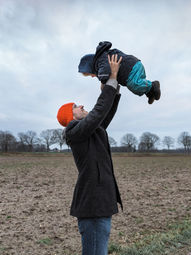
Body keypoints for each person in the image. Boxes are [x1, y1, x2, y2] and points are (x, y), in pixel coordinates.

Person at [57, 54, 123, 255]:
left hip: (100, 206)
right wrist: (111, 79)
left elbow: (103, 114)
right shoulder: (74, 131)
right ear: (71, 117)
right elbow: (96, 113)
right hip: (93, 208)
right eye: (76, 107)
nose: (82, 106)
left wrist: (113, 87)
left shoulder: (89, 130)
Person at [78, 41, 161, 104]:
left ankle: (153, 85)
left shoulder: (101, 60)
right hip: (130, 71)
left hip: (131, 68)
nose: (92, 76)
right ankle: (150, 92)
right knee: (135, 89)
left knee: (135, 85)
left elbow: (104, 73)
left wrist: (103, 81)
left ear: (90, 66)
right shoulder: (102, 61)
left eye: (90, 74)